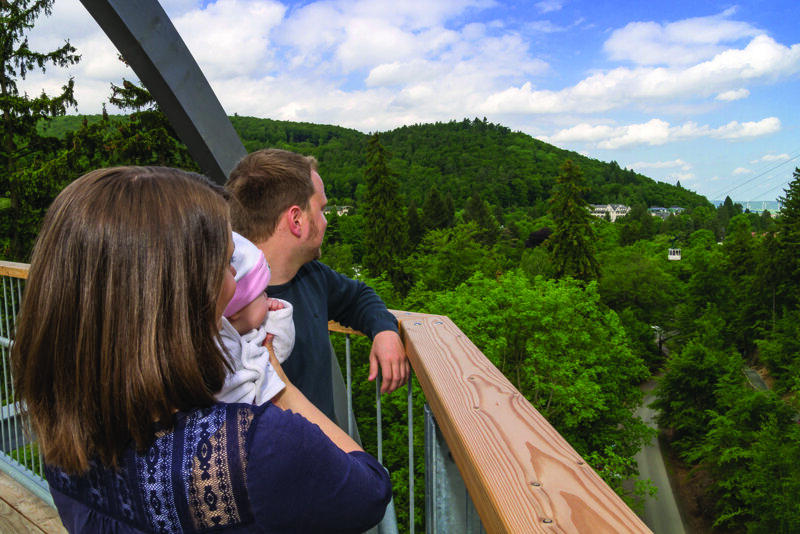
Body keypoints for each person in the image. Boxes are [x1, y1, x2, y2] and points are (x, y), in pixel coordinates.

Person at [11, 167, 391, 533]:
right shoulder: (255, 449)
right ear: (182, 292)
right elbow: (370, 490)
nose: (235, 282)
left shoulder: (64, 427)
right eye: (227, 262)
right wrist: (275, 378)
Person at [226, 149, 410, 420]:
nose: (326, 221)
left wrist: (384, 330)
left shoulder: (311, 276)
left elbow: (358, 297)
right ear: (296, 220)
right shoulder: (223, 307)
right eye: (322, 210)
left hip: (325, 454)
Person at [216, 231, 295, 405]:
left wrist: (278, 314)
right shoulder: (219, 346)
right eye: (261, 294)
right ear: (236, 308)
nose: (267, 297)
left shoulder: (254, 333)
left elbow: (281, 349)